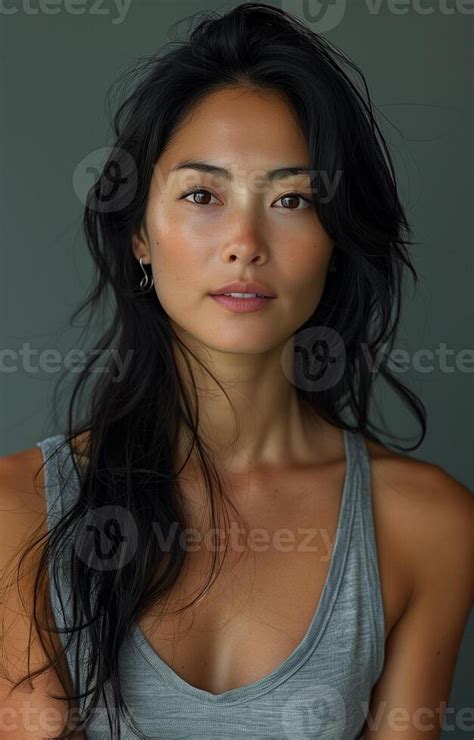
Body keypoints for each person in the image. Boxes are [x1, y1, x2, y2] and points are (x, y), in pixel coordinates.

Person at [0, 3, 472, 739]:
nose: (245, 241)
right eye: (202, 195)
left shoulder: (424, 524)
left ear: (337, 239)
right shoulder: (18, 509)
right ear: (139, 236)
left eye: (290, 199)